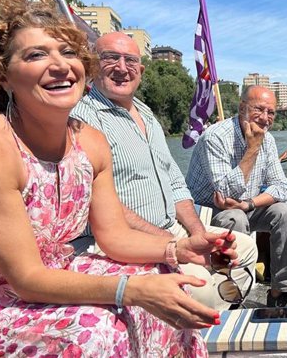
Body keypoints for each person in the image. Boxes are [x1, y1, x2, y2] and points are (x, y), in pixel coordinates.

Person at [0, 0, 237, 356]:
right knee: (97, 328)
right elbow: (25, 278)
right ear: (4, 77)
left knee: (158, 274)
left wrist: (178, 248)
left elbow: (115, 236)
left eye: (69, 52)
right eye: (36, 55)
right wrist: (129, 290)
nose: (60, 65)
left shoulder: (90, 141)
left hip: (60, 269)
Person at [70, 32, 258, 310]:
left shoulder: (146, 114)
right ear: (93, 66)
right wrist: (174, 243)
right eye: (111, 58)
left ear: (141, 71)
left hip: (171, 228)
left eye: (130, 60)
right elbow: (102, 207)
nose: (122, 68)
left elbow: (175, 183)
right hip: (121, 242)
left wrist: (195, 233)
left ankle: (219, 308)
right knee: (202, 288)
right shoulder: (82, 119)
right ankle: (203, 330)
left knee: (245, 249)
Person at [186, 85, 287, 308]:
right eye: (259, 110)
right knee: (234, 218)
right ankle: (235, 293)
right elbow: (225, 194)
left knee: (284, 213)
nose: (265, 118)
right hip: (209, 212)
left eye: (271, 112)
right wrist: (252, 150)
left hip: (245, 206)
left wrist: (249, 203)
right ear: (241, 108)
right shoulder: (216, 138)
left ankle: (280, 291)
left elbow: (281, 187)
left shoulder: (268, 139)